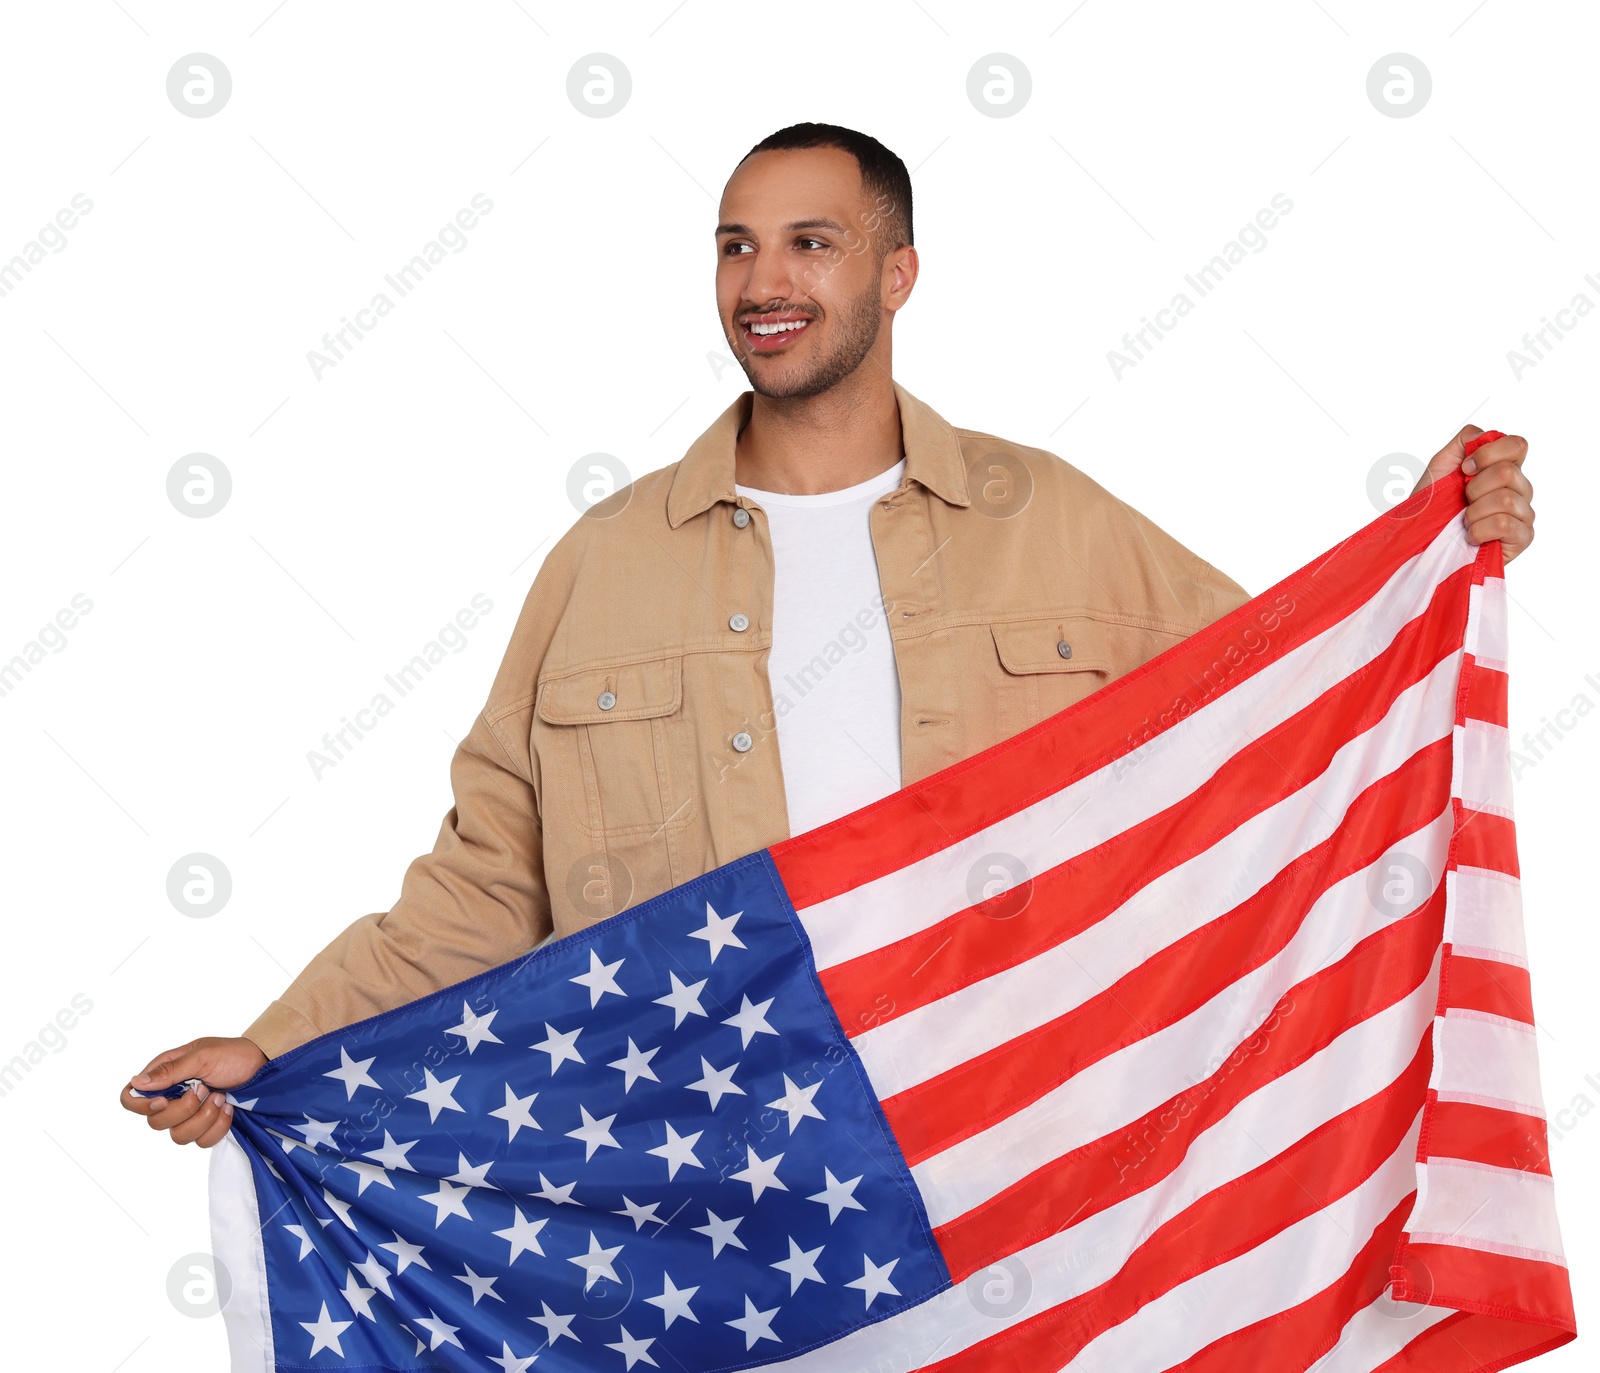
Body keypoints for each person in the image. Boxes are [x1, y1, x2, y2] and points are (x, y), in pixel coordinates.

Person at [121, 122, 1536, 1149]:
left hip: (1010, 1154)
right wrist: (278, 1043)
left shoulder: (1053, 520)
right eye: (736, 245)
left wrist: (1416, 557)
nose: (764, 280)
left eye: (811, 240)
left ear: (901, 272)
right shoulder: (602, 567)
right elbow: (489, 888)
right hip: (710, 1179)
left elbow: (1276, 705)